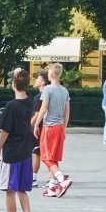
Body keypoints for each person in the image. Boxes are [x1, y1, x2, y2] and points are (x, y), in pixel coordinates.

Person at [0, 69, 35, 212]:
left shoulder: (11, 106)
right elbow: (28, 92)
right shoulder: (30, 102)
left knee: (10, 191)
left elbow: (4, 132)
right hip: (26, 152)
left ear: (14, 84)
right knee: (21, 190)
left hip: (12, 153)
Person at [34, 63, 73, 198]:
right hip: (60, 126)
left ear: (50, 74)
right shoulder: (65, 91)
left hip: (49, 126)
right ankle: (51, 187)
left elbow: (43, 108)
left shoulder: (47, 89)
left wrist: (36, 125)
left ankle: (62, 179)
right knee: (54, 157)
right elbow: (67, 112)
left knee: (45, 157)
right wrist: (64, 128)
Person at [31, 72, 49, 188]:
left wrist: (30, 126)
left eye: (38, 79)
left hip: (39, 128)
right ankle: (53, 178)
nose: (35, 80)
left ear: (43, 82)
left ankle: (33, 179)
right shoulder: (49, 95)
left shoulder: (39, 97)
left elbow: (37, 114)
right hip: (48, 127)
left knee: (36, 153)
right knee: (48, 154)